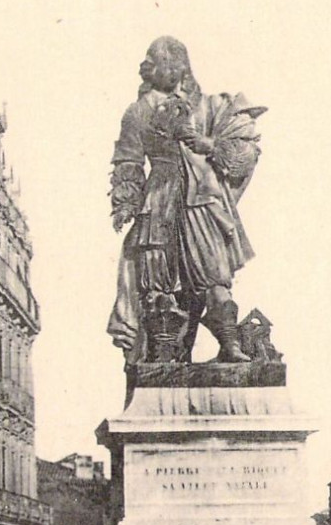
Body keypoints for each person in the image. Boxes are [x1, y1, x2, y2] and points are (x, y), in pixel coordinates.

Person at [107, 37, 265, 364]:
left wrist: (204, 143)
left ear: (178, 66)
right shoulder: (138, 111)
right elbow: (129, 160)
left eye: (157, 61)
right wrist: (125, 200)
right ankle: (163, 356)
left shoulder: (210, 105)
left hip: (202, 199)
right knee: (156, 280)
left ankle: (230, 345)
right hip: (160, 199)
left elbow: (239, 152)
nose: (149, 68)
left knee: (215, 276)